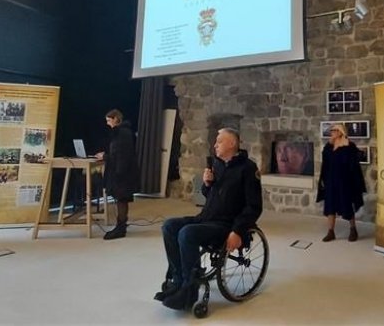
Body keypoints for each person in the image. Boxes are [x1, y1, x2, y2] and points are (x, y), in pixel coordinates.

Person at [155, 128, 262, 311]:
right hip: (206, 218)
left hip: (227, 224)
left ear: (232, 144)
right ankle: (179, 280)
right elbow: (210, 195)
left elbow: (254, 207)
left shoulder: (248, 169)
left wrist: (237, 231)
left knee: (187, 233)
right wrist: (207, 184)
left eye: (219, 141)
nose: (215, 145)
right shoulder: (217, 164)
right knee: (169, 226)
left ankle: (190, 288)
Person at [316, 124, 366, 242]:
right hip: (330, 180)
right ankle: (331, 232)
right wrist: (323, 179)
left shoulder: (349, 146)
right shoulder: (329, 146)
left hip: (344, 181)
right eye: (331, 130)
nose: (331, 132)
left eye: (334, 130)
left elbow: (354, 163)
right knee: (330, 205)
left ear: (340, 132)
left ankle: (353, 229)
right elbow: (325, 162)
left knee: (347, 204)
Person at [95, 109, 139, 240]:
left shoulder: (122, 133)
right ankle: (121, 225)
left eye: (109, 120)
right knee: (121, 199)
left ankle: (121, 227)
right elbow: (117, 152)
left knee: (121, 198)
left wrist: (105, 156)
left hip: (122, 172)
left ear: (115, 119)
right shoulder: (123, 132)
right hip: (122, 170)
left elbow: (121, 155)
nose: (107, 123)